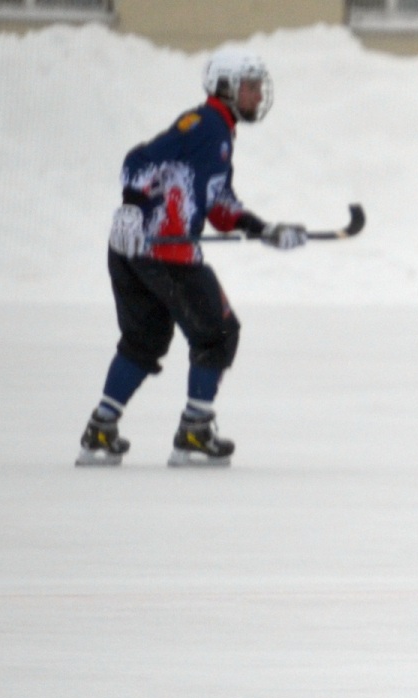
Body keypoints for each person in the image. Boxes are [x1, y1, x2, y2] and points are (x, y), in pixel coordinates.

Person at [75, 49, 307, 469]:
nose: (258, 95)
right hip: (165, 251)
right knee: (218, 334)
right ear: (227, 88)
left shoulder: (219, 133)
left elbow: (218, 204)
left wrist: (261, 228)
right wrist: (131, 207)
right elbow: (138, 160)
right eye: (251, 87)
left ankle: (100, 430)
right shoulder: (203, 125)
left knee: (143, 342)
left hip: (133, 251)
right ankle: (194, 434)